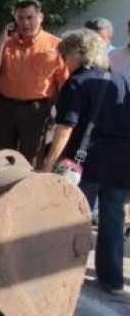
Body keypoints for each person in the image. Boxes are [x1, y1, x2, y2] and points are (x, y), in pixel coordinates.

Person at [39, 29, 130, 296]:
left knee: (74, 219)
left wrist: (50, 162)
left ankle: (64, 275)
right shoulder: (121, 79)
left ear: (78, 54)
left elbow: (66, 125)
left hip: (87, 161)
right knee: (113, 218)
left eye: (65, 55)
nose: (63, 61)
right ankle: (112, 280)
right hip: (121, 161)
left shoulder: (77, 82)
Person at [0, 0, 68, 165]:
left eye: (30, 17)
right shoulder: (7, 42)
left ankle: (25, 190)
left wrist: (55, 112)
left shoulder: (56, 45)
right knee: (2, 158)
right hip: (4, 107)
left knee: (29, 159)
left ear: (40, 17)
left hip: (36, 111)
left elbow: (63, 83)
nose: (25, 23)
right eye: (20, 18)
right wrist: (2, 41)